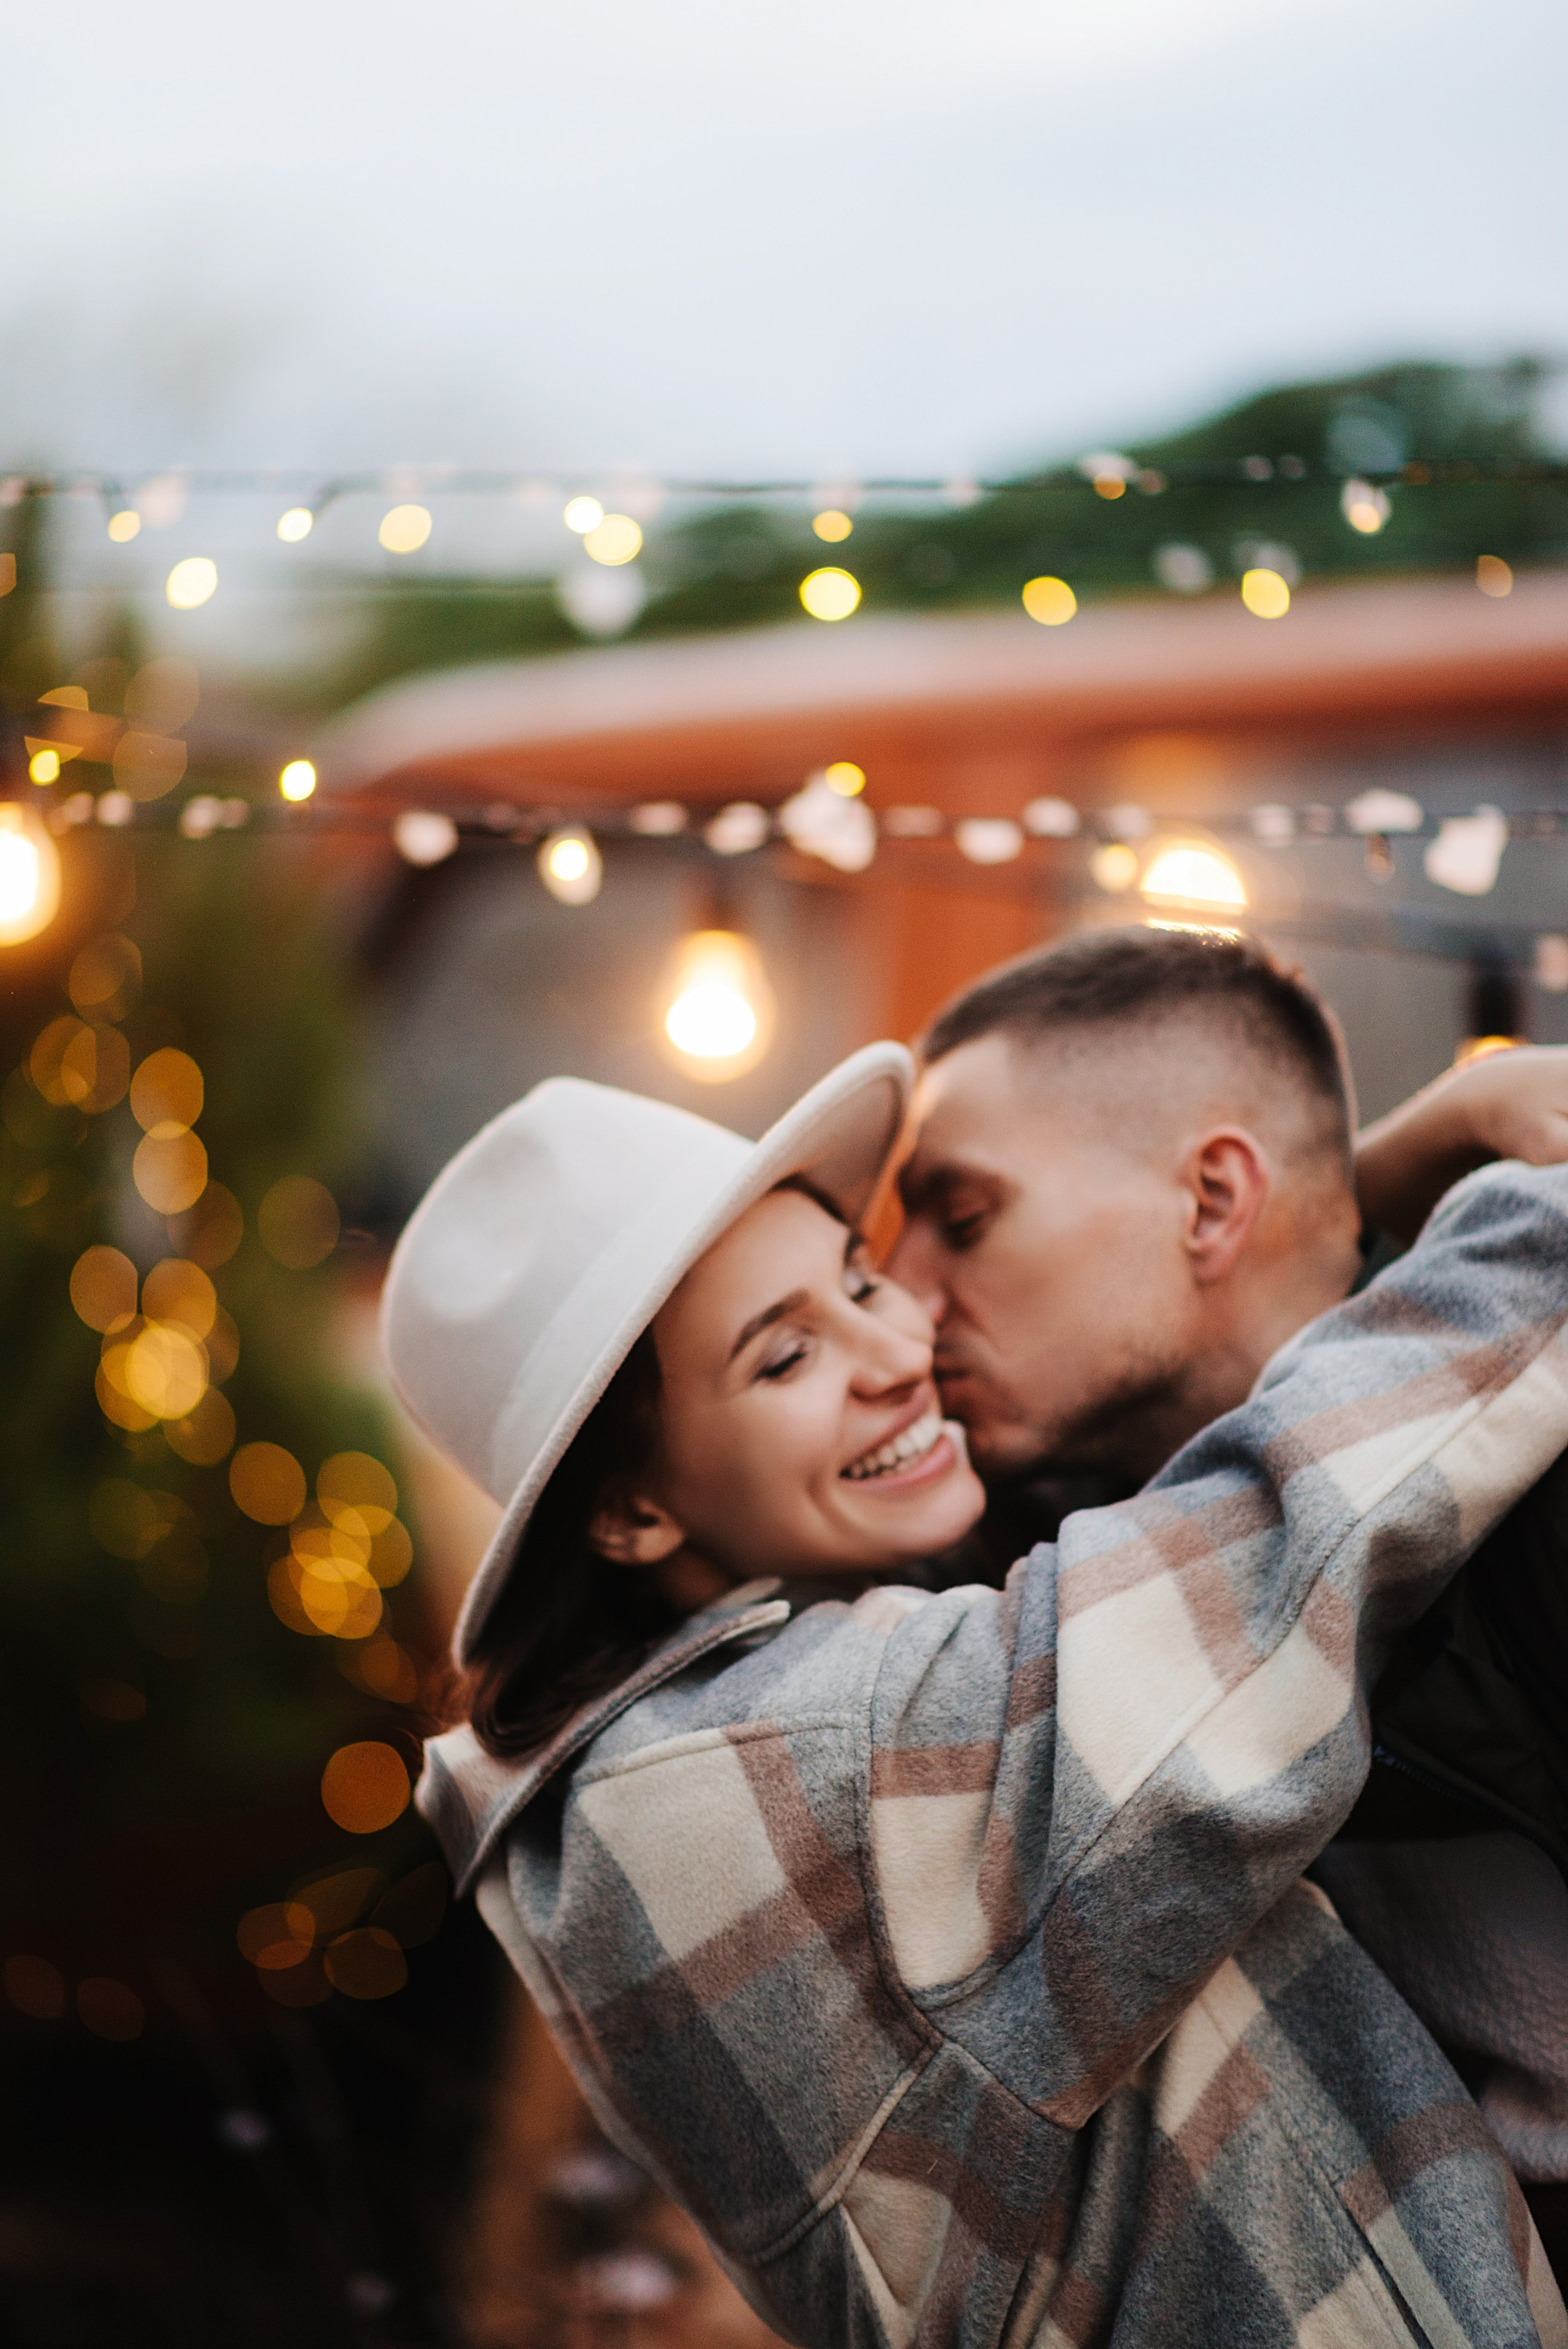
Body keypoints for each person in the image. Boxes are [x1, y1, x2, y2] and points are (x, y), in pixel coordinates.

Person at [396, 1041, 1568, 2349]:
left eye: (854, 1279)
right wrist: (1535, 1213)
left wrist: (1376, 1163)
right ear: (629, 1508)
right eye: (782, 1359)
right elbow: (1271, 1538)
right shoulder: (780, 1771)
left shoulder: (673, 1738)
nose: (901, 1343)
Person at [888, 924, 1568, 2267]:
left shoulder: (1534, 1486)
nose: (904, 1299)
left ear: (1209, 1200)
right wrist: (1405, 1150)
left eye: (960, 1219)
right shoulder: (1027, 1574)